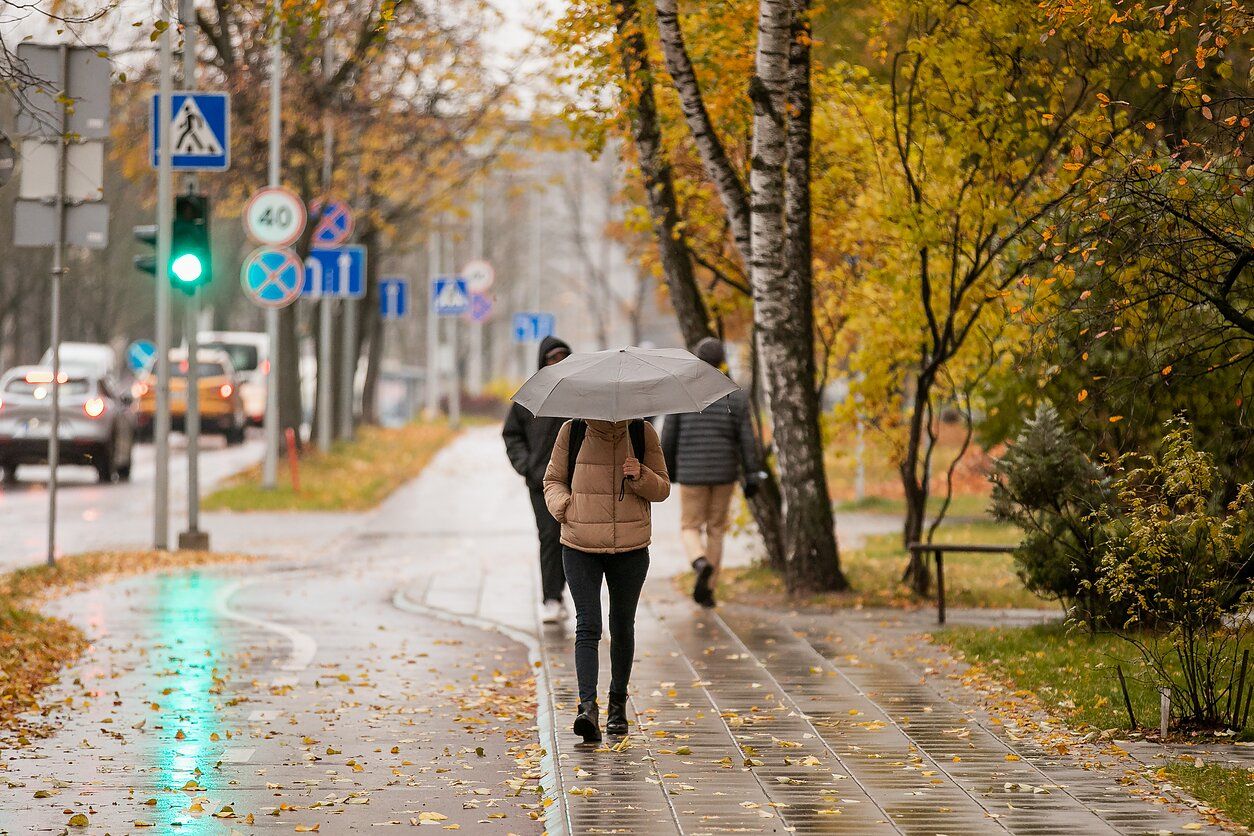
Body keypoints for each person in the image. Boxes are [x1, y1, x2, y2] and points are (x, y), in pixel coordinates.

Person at [544, 417, 670, 742]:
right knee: (588, 624)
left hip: (630, 547)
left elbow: (663, 488)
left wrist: (641, 475)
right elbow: (553, 480)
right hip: (579, 545)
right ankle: (587, 708)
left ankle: (617, 706)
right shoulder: (572, 432)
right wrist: (566, 507)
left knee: (622, 624)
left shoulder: (641, 433)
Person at [661, 337, 761, 608]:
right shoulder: (735, 395)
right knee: (716, 529)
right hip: (724, 473)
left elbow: (669, 436)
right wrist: (751, 473)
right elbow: (747, 441)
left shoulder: (682, 393)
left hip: (691, 473)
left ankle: (699, 560)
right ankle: (709, 589)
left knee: (690, 526)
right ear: (721, 361)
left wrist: (665, 470)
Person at [503, 336, 573, 624]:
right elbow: (512, 435)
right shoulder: (528, 398)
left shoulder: (579, 394)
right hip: (541, 482)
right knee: (549, 537)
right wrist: (527, 467)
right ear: (542, 362)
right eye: (552, 358)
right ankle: (551, 597)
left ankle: (568, 593)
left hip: (577, 481)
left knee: (576, 541)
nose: (557, 363)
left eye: (563, 357)